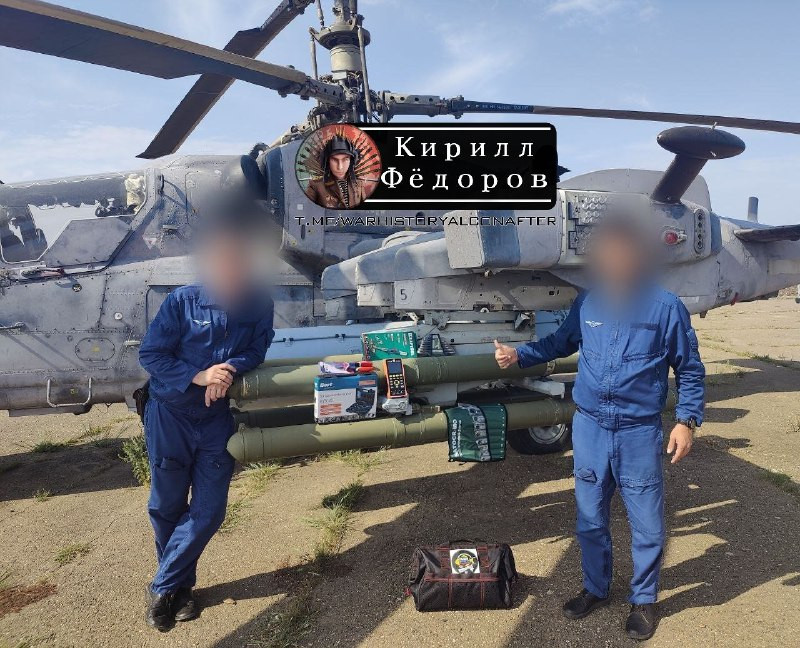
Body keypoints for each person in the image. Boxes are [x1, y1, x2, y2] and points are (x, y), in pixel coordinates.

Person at [494, 213, 705, 641]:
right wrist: (520, 356)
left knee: (647, 524)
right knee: (589, 518)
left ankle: (643, 600)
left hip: (638, 432)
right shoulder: (588, 303)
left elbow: (690, 369)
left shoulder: (665, 307)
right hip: (590, 427)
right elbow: (559, 344)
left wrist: (686, 421)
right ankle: (595, 588)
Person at [138, 201, 275, 631]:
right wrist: (198, 376)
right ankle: (180, 591)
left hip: (215, 420)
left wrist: (228, 369)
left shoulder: (258, 303)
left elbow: (257, 349)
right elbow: (151, 355)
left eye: (238, 264)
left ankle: (161, 586)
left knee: (210, 511)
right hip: (170, 415)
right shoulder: (182, 302)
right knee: (166, 506)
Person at [305, 135, 368, 209]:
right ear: (327, 161)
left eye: (345, 159)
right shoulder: (315, 186)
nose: (340, 167)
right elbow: (308, 212)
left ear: (351, 162)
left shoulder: (359, 184)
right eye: (334, 160)